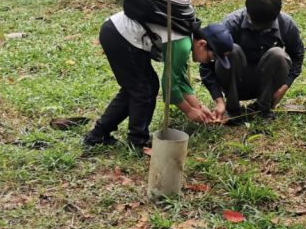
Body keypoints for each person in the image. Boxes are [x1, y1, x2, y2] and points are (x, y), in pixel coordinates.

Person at [85, 16, 231, 153]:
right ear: (202, 44)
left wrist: (198, 107)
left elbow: (179, 79)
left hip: (117, 32)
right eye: (212, 57)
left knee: (137, 87)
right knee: (144, 88)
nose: (209, 61)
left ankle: (98, 135)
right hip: (120, 35)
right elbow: (169, 89)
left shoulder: (186, 39)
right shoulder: (182, 45)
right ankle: (137, 142)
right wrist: (189, 111)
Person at [200, 0, 305, 122]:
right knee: (232, 50)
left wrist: (285, 86)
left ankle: (263, 108)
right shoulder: (231, 24)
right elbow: (206, 63)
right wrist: (218, 100)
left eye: (265, 26)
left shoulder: (286, 24)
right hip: (234, 83)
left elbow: (297, 56)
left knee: (278, 54)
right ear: (247, 12)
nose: (259, 29)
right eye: (255, 24)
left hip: (266, 85)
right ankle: (233, 109)